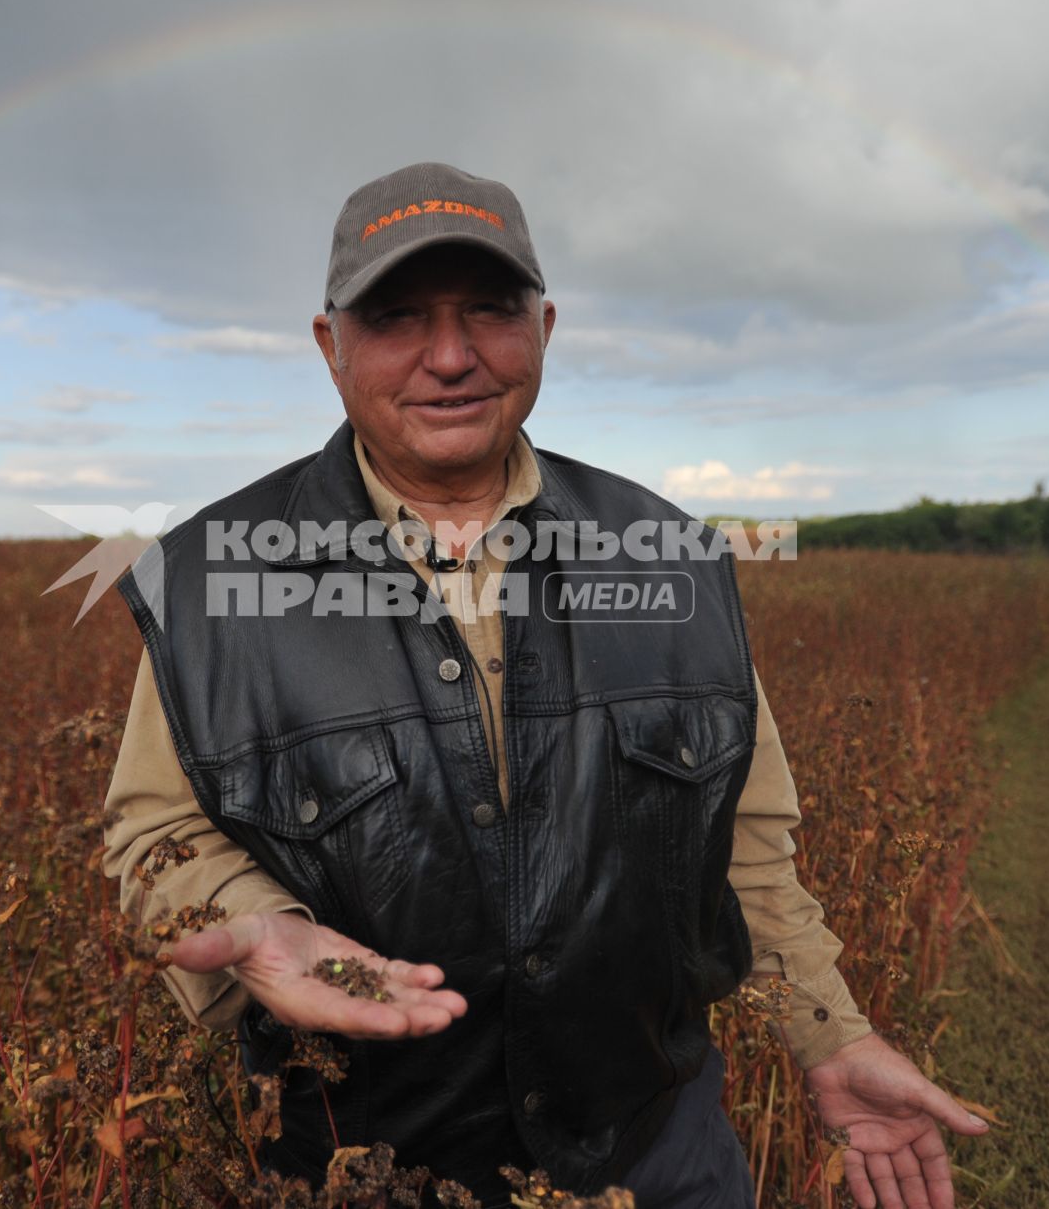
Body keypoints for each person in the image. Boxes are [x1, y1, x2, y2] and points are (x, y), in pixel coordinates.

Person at [102, 162, 989, 1208]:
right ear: (329, 345)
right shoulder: (213, 580)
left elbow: (742, 851)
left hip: (655, 1160)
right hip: (355, 1174)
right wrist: (253, 922)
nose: (451, 355)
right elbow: (156, 833)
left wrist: (830, 1037)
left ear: (546, 326)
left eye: (491, 309)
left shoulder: (671, 560)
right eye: (395, 317)